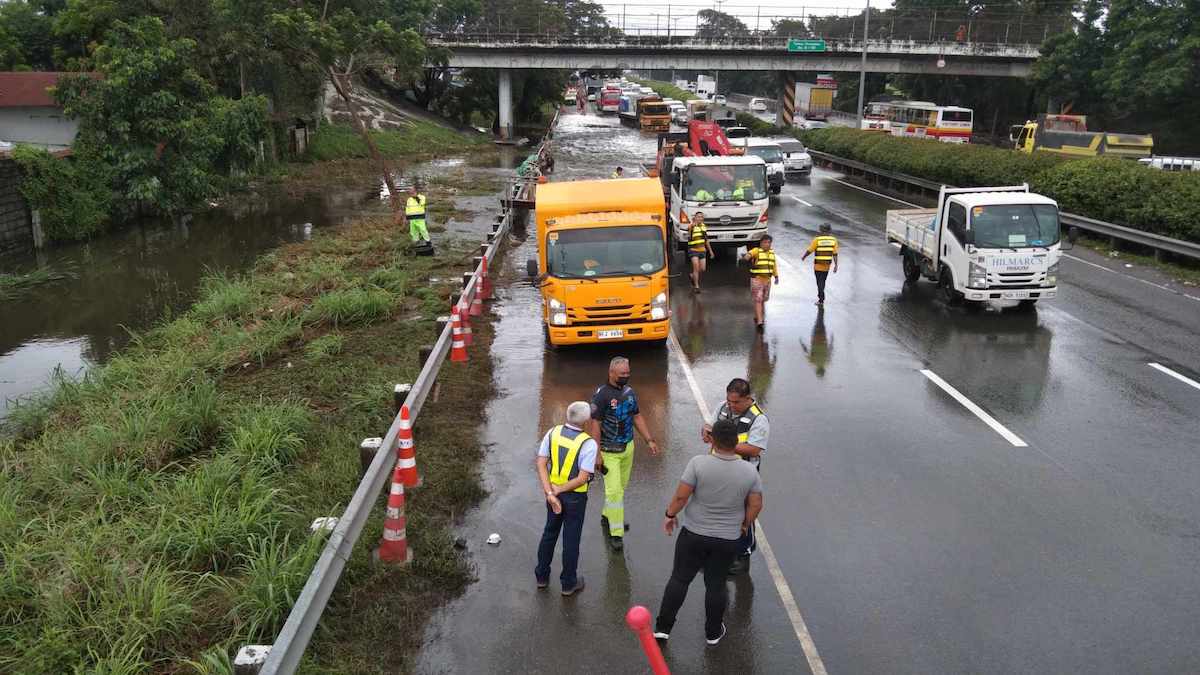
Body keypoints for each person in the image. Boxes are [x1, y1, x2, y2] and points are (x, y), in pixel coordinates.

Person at [654, 418, 763, 645]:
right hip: (727, 539)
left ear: (712, 441)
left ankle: (663, 628)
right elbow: (756, 504)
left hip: (693, 534)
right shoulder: (749, 471)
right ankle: (713, 633)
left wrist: (670, 515)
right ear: (735, 442)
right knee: (716, 584)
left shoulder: (697, 464)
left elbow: (682, 496)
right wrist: (744, 524)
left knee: (679, 579)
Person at [590, 356, 661, 552]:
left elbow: (636, 416)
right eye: (622, 374)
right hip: (608, 452)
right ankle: (616, 533)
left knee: (620, 488)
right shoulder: (601, 395)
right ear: (611, 373)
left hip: (627, 448)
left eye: (628, 373)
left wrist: (649, 440)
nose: (626, 377)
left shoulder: (630, 393)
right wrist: (596, 454)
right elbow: (595, 424)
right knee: (614, 493)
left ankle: (608, 516)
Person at [701, 378, 768, 575]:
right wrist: (706, 432)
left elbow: (755, 449)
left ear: (748, 399)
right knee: (719, 512)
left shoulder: (759, 419)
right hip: (718, 469)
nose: (731, 405)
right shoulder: (723, 408)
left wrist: (723, 442)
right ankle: (719, 553)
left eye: (736, 402)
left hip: (743, 473)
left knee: (743, 515)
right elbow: (709, 425)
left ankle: (743, 555)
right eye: (729, 401)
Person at [535, 401, 598, 596]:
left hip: (552, 494)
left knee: (549, 533)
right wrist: (560, 490)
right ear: (585, 422)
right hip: (575, 499)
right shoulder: (588, 444)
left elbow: (541, 463)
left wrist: (550, 493)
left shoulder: (552, 433)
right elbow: (582, 478)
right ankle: (568, 583)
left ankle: (542, 577)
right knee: (571, 540)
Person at [741, 234, 779, 331]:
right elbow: (748, 255)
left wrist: (776, 276)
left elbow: (773, 265)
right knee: (758, 299)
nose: (767, 244)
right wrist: (746, 257)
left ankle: (756, 315)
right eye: (765, 242)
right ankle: (760, 322)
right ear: (761, 243)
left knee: (763, 300)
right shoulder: (756, 251)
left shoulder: (772, 253)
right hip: (757, 279)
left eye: (769, 242)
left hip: (767, 280)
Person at [800, 223, 839, 306]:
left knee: (819, 282)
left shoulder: (817, 240)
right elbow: (835, 254)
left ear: (821, 230)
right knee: (823, 281)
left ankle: (821, 298)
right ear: (830, 231)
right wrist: (836, 265)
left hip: (818, 265)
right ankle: (821, 297)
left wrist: (804, 257)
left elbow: (810, 250)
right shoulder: (833, 240)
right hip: (827, 266)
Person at [687, 211, 714, 292]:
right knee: (696, 267)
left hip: (702, 250)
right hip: (693, 250)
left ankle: (692, 276)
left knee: (702, 269)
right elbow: (689, 231)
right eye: (698, 216)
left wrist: (711, 251)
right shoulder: (691, 226)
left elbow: (706, 240)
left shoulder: (703, 227)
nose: (700, 218)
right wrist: (692, 225)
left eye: (701, 217)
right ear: (695, 218)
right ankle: (696, 286)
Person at [404, 183, 432, 248]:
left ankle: (428, 242)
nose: (410, 191)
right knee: (413, 231)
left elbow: (422, 203)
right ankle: (416, 242)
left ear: (416, 191)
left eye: (412, 190)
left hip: (420, 217)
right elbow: (407, 209)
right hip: (412, 218)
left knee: (423, 229)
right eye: (410, 190)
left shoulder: (422, 197)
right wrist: (406, 218)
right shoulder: (409, 199)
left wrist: (416, 197)